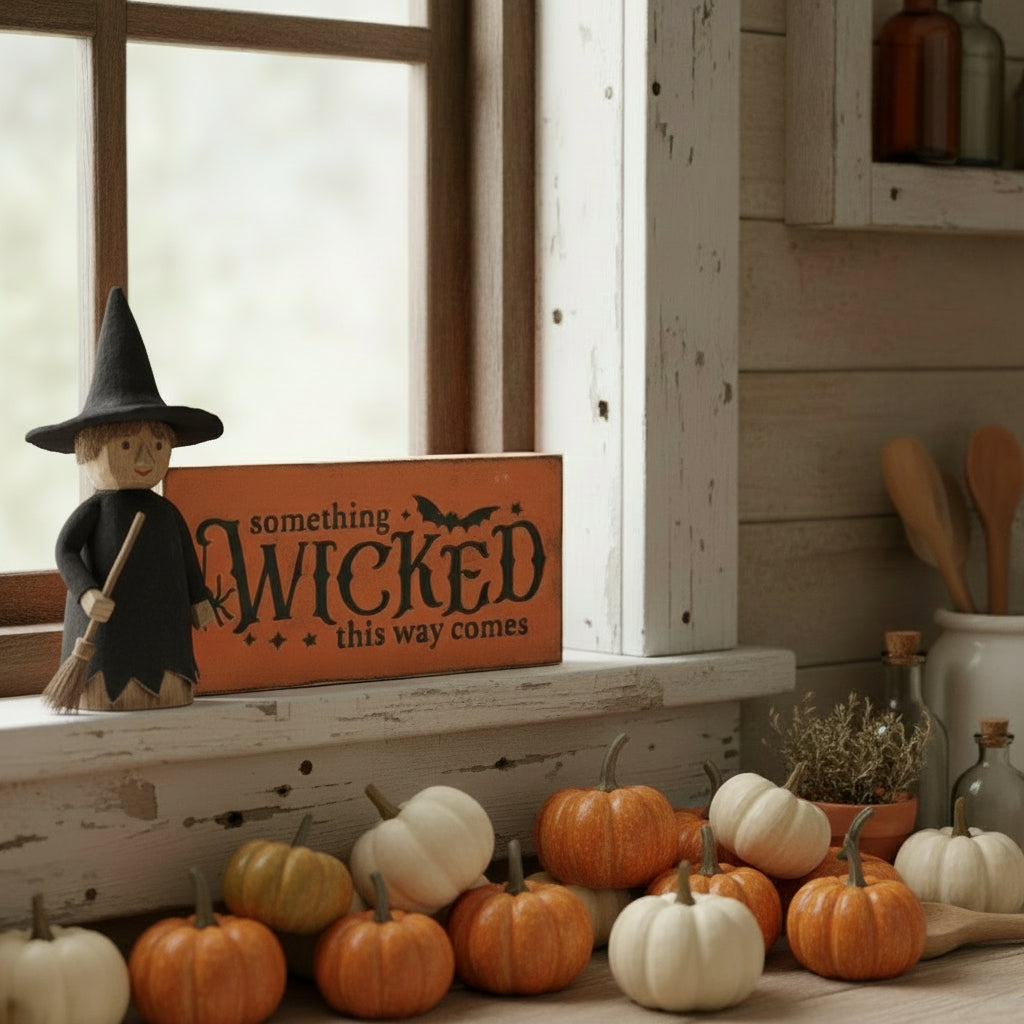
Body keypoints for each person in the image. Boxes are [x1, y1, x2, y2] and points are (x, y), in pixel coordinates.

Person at [25, 287, 223, 710]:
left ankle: (169, 686)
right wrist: (86, 592)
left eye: (157, 445)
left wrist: (198, 597)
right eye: (128, 446)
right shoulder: (95, 511)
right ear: (88, 451)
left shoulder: (165, 513)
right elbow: (65, 550)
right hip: (107, 636)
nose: (146, 458)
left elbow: (186, 557)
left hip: (165, 634)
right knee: (111, 668)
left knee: (165, 666)